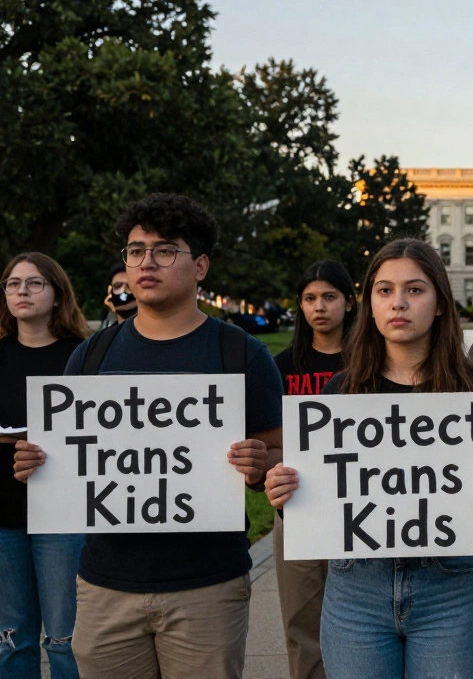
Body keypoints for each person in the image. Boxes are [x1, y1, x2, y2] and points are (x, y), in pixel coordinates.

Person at [12, 194, 283, 679]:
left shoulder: (240, 353)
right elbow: (68, 461)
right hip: (105, 587)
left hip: (208, 586)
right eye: (135, 251)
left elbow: (280, 453)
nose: (146, 263)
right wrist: (37, 464)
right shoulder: (91, 357)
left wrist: (261, 466)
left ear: (200, 266)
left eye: (164, 250)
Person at [264, 239, 473, 679]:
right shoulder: (340, 394)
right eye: (384, 291)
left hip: (448, 590)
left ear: (441, 303)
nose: (398, 303)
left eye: (415, 290)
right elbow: (317, 513)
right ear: (368, 305)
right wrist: (287, 495)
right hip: (356, 591)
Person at [0, 253, 90, 678]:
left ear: (57, 294)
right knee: (11, 638)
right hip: (3, 514)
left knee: (66, 639)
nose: (22, 291)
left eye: (35, 283)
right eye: (13, 283)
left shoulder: (84, 358)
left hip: (65, 516)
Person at [272, 259, 357, 679]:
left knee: (361, 625)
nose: (318, 307)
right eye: (309, 298)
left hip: (359, 508)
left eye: (329, 297)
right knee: (303, 625)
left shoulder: (368, 363)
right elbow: (269, 441)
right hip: (299, 509)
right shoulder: (282, 366)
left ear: (349, 301)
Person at [100, 262, 137, 328]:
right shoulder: (104, 331)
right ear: (109, 291)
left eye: (130, 286)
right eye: (117, 286)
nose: (123, 291)